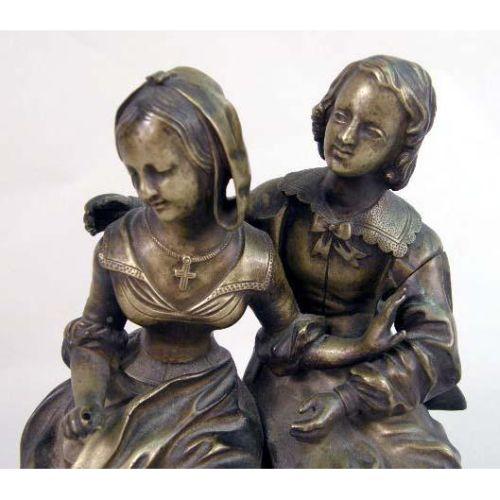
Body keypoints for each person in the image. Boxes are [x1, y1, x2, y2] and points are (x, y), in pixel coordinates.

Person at [75, 56, 465, 468]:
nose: (347, 136)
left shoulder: (414, 244)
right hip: (288, 371)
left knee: (430, 466)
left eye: (372, 130)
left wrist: (350, 397)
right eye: (341, 115)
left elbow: (435, 350)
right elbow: (214, 224)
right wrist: (139, 213)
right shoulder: (281, 201)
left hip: (376, 385)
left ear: (401, 147)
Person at [22, 67, 314, 468]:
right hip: (123, 389)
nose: (146, 190)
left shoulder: (254, 254)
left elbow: (290, 339)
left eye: (161, 172)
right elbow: (95, 336)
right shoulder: (120, 243)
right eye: (134, 173)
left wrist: (360, 354)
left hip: (213, 407)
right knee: (77, 458)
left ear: (211, 162)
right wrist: (88, 401)